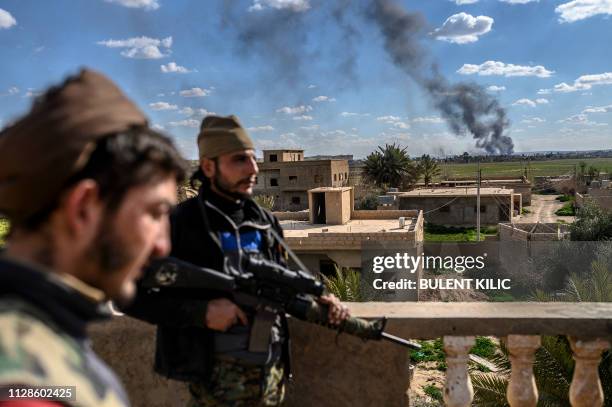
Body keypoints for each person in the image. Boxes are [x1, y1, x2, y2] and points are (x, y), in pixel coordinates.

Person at [124, 115, 349, 406]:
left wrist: (320, 296)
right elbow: (129, 296)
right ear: (208, 166)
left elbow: (280, 279)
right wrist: (201, 312)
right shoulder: (180, 223)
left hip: (270, 379)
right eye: (240, 160)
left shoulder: (264, 221)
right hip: (212, 385)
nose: (253, 169)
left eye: (253, 159)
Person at [0, 69, 187, 407]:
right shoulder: (27, 388)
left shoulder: (42, 341)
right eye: (155, 213)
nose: (163, 245)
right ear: (84, 207)